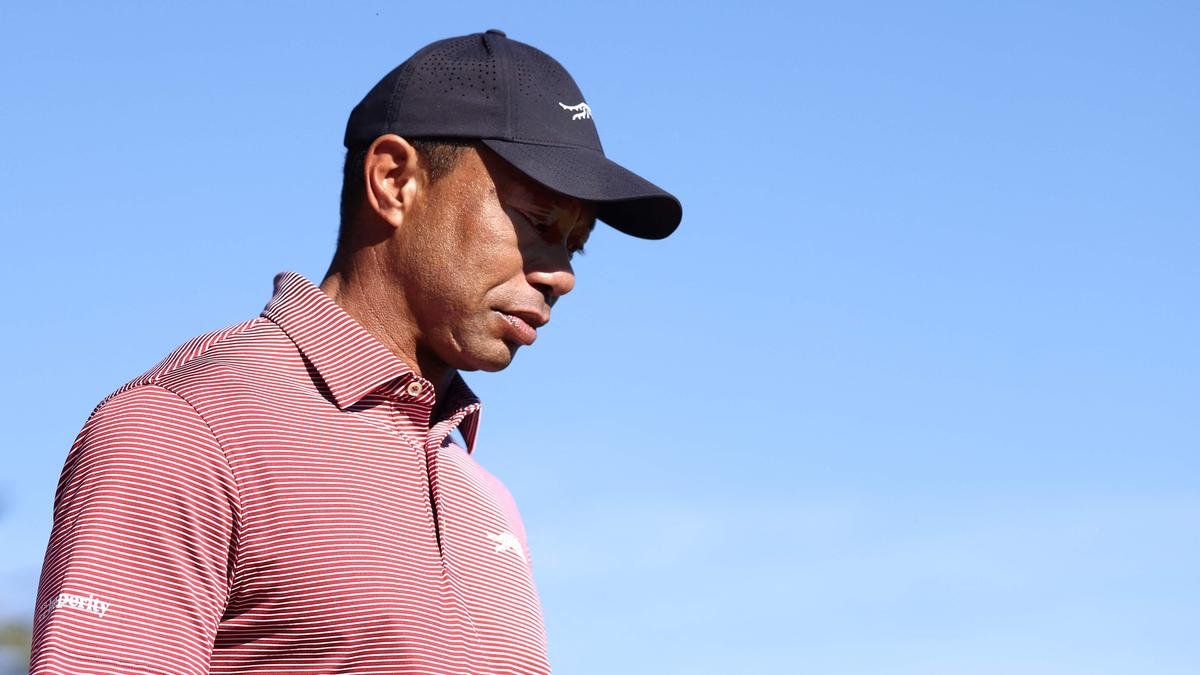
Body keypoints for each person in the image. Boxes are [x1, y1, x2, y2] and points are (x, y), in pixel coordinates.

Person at [30, 29, 680, 674]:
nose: (562, 275)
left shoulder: (486, 499)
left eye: (575, 244)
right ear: (394, 180)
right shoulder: (185, 428)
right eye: (538, 221)